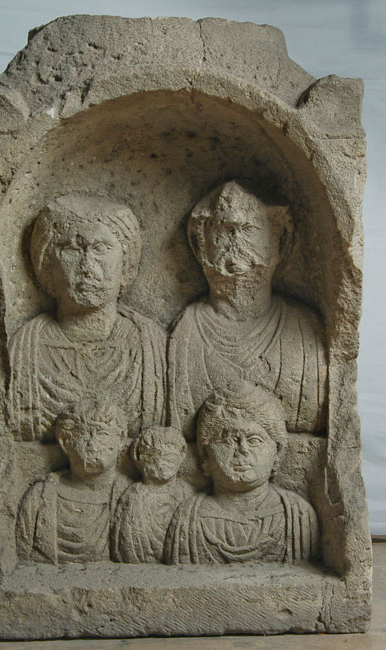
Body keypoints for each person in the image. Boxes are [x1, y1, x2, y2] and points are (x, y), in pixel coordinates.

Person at [168, 180, 327, 440]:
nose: (235, 240)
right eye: (222, 229)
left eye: (249, 228)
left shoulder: (305, 331)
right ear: (200, 246)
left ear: (280, 241)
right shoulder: (184, 331)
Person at [8, 193, 166, 441]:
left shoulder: (151, 344)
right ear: (47, 264)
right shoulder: (25, 348)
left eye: (101, 248)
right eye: (71, 249)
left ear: (126, 262)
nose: (87, 267)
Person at [164, 382, 320, 565]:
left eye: (254, 440)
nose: (242, 450)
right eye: (229, 440)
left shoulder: (299, 516)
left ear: (277, 453)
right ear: (205, 454)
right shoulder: (187, 517)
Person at [16, 396, 130, 564]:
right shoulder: (40, 497)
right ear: (64, 441)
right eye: (83, 434)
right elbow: (22, 551)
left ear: (120, 440)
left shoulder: (130, 497)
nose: (92, 444)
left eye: (102, 434)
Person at [111, 426, 192, 563]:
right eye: (153, 456)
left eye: (169, 457)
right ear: (139, 458)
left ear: (181, 455)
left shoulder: (185, 493)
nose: (160, 463)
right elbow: (123, 540)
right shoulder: (134, 495)